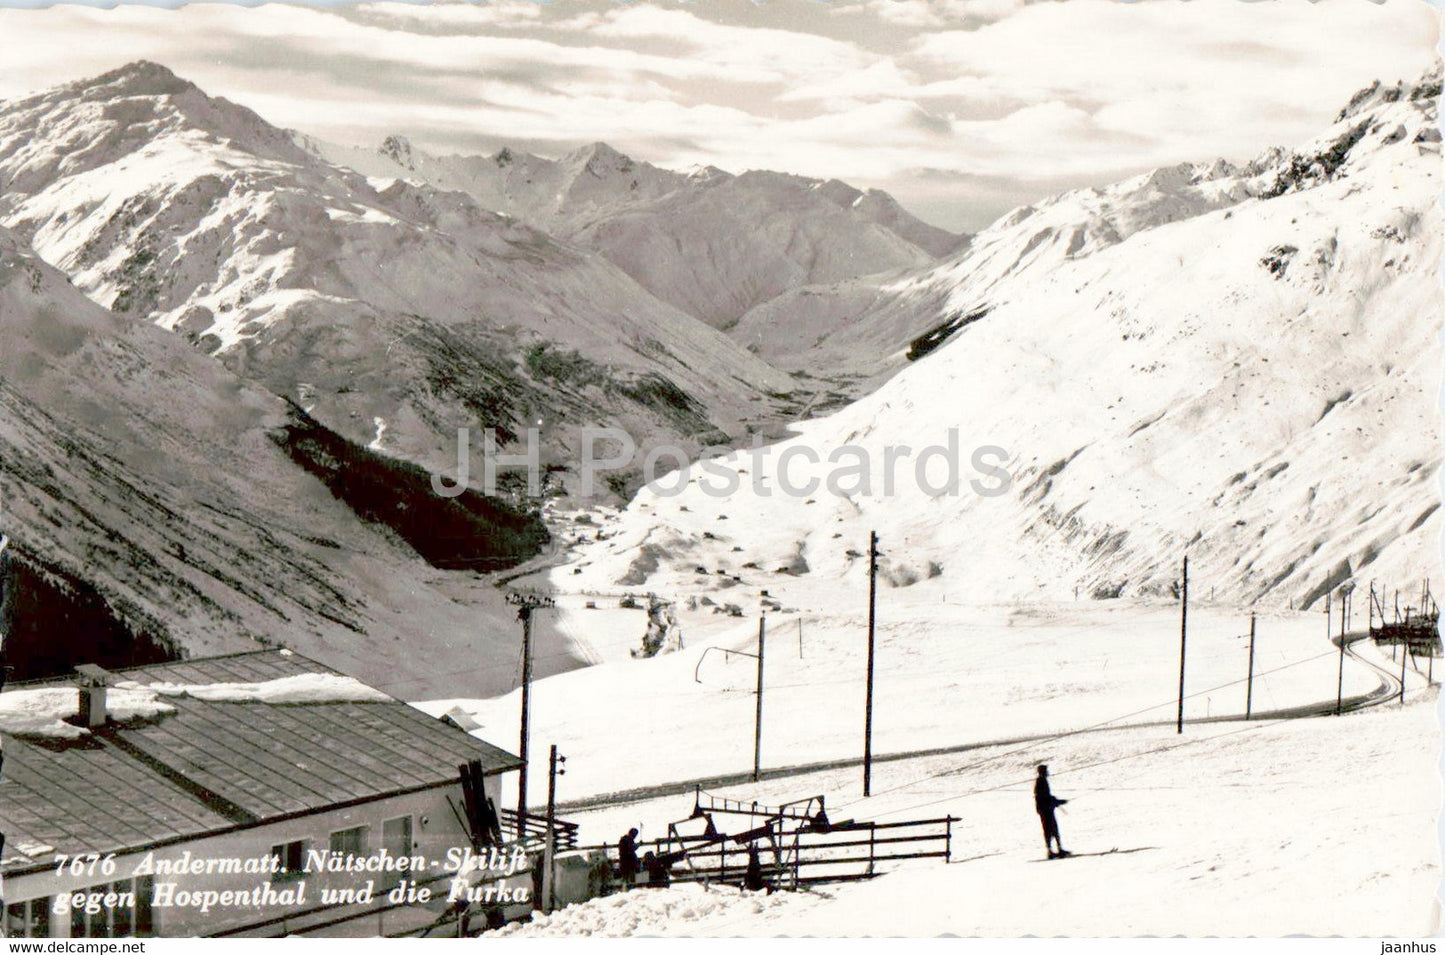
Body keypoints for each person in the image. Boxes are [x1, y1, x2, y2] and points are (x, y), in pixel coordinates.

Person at [1034, 764, 1070, 858]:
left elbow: (1047, 797)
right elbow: (1043, 797)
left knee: (1053, 829)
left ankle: (1058, 849)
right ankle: (1051, 851)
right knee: (1049, 830)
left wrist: (1056, 801)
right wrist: (1056, 801)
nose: (1047, 772)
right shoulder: (1040, 781)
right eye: (1046, 770)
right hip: (1045, 810)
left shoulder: (1042, 780)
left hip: (1047, 809)